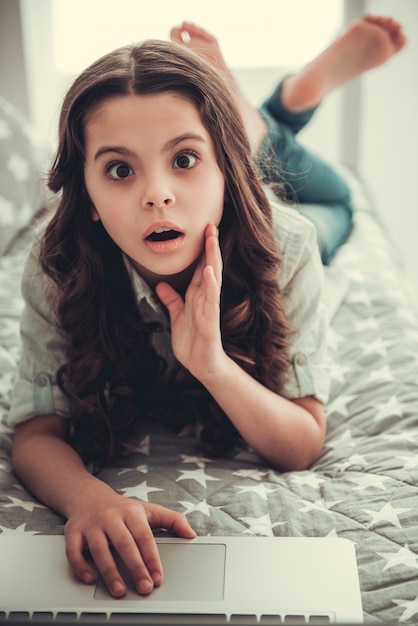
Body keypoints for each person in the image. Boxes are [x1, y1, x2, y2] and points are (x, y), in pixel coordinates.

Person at [8, 15, 405, 600]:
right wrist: (90, 499)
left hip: (285, 214)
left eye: (186, 160)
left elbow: (303, 440)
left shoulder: (288, 245)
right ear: (87, 197)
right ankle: (271, 117)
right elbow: (36, 433)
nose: (156, 194)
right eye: (120, 170)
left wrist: (212, 364)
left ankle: (285, 108)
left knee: (339, 211)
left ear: (225, 169)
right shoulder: (56, 265)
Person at [171, 15, 406, 263]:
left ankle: (263, 128)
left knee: (281, 137)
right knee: (337, 203)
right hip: (262, 226)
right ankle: (269, 123)